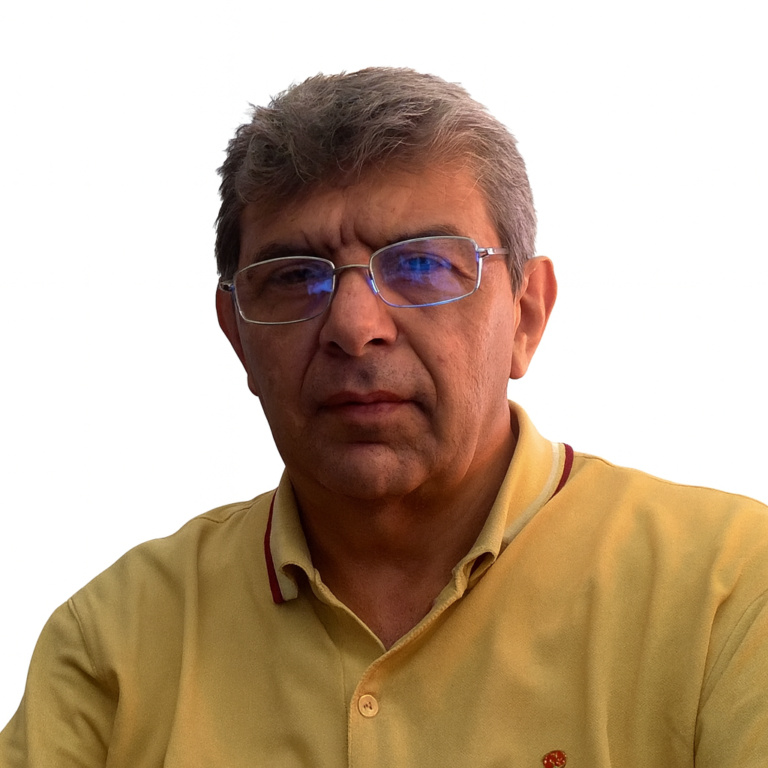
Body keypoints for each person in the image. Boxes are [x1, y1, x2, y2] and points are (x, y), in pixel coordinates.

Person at [1, 67, 766, 768]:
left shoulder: (728, 591)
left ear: (527, 315)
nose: (353, 325)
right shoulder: (113, 646)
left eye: (422, 264)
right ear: (237, 336)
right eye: (294, 277)